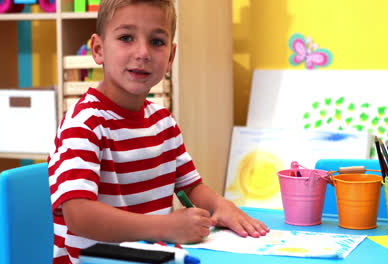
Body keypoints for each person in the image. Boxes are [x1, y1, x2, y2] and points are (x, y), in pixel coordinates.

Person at [48, 0, 269, 263]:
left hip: (152, 257)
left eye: (157, 42)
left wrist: (223, 206)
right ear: (98, 49)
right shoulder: (84, 123)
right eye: (126, 37)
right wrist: (164, 226)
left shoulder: (163, 122)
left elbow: (191, 186)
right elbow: (79, 216)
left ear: (170, 58)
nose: (143, 52)